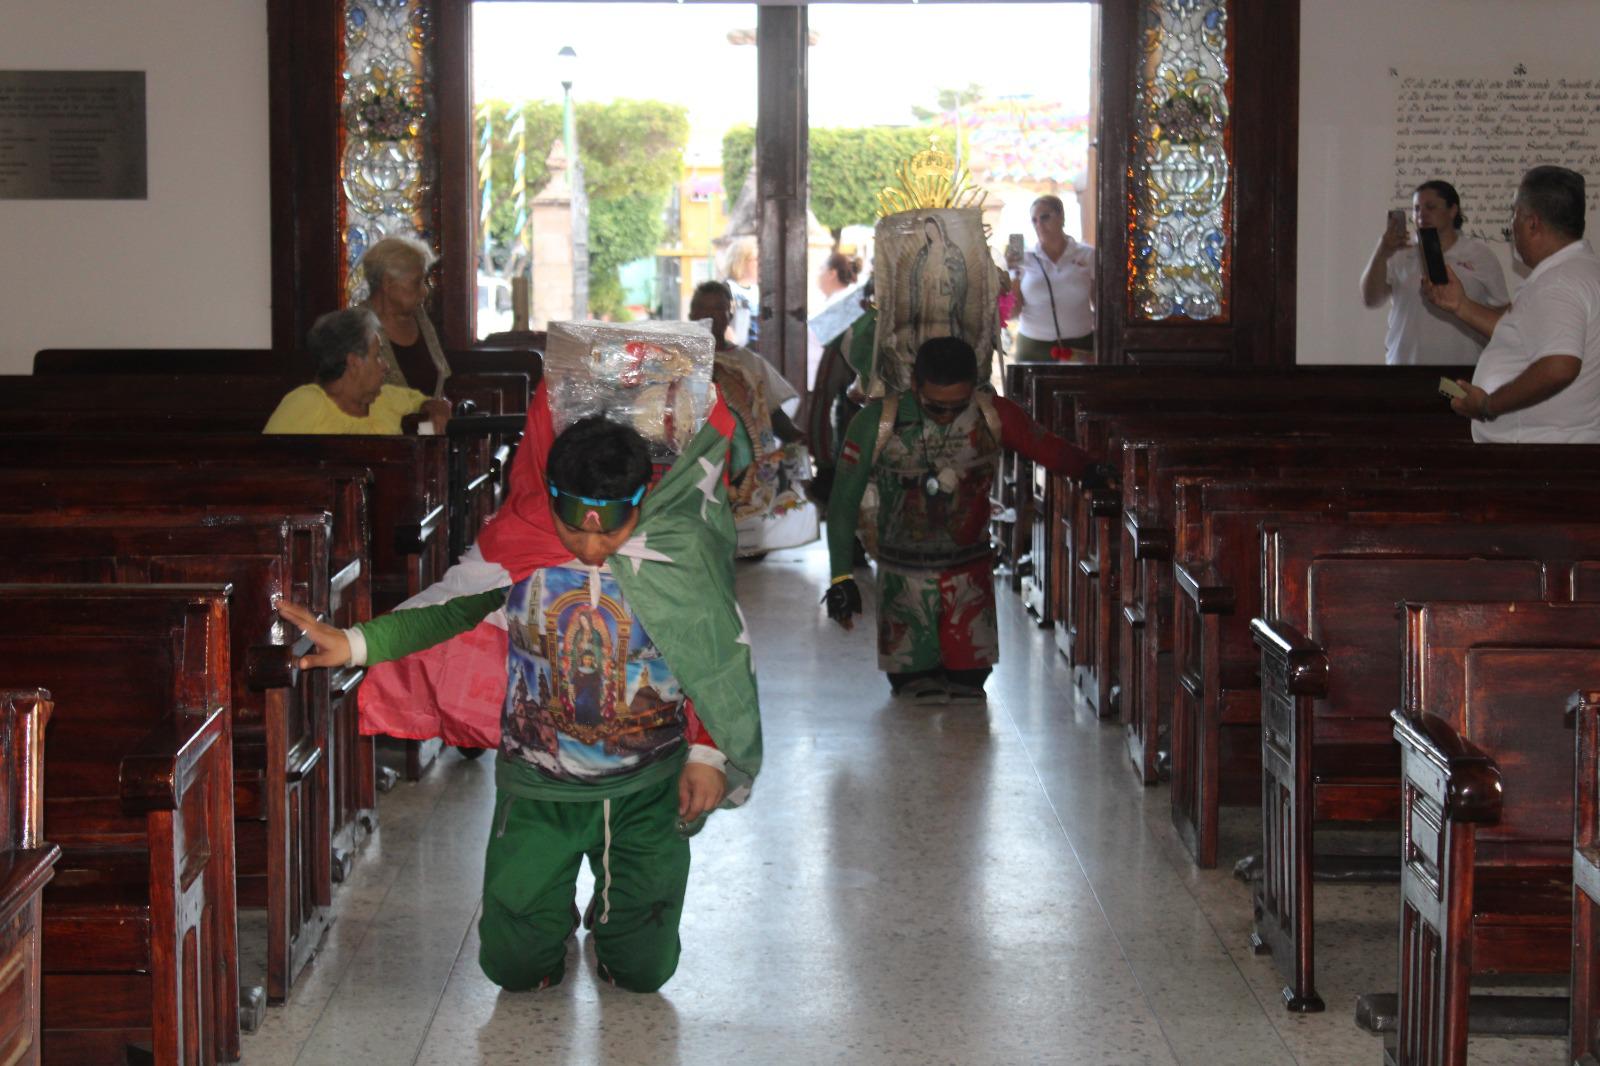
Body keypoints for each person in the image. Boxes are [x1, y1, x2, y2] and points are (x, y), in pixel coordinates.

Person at [278, 401, 762, 993]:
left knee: (643, 972)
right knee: (514, 968)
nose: (590, 547)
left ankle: (616, 918)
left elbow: (718, 660)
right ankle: (545, 914)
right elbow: (445, 612)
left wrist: (707, 755)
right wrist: (354, 643)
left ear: (640, 503)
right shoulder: (521, 546)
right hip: (539, 790)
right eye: (574, 526)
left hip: (646, 791)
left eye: (610, 528)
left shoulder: (674, 554)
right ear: (551, 499)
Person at [822, 336, 1112, 703]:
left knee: (969, 684)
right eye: (934, 407)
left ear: (974, 388)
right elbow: (843, 501)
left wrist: (1089, 468)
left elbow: (1048, 447)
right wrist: (840, 577)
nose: (946, 417)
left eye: (957, 407)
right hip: (903, 580)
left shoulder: (993, 414)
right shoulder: (877, 422)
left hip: (969, 579)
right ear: (915, 385)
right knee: (913, 685)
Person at [1425, 165, 1600, 443]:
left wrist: (1488, 405)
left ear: (1532, 224)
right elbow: (1528, 336)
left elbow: (1560, 366)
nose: (1510, 225)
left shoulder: (1558, 283)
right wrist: (1462, 306)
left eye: (1514, 214)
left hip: (1541, 452)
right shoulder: (1580, 272)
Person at [690, 281, 817, 555]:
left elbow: (769, 409)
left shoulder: (749, 363)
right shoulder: (680, 360)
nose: (711, 316)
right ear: (691, 314)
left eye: (719, 309)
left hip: (742, 459)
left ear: (730, 314)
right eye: (703, 308)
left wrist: (795, 436)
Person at [1360, 179, 1508, 365]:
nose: (1422, 214)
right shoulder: (1399, 252)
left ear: (1453, 211)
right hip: (1404, 369)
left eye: (1430, 207)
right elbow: (1370, 299)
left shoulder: (1479, 255)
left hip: (1461, 371)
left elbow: (1502, 313)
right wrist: (1382, 252)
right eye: (1416, 209)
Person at [263, 308, 451, 435]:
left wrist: (435, 409)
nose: (385, 365)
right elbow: (267, 468)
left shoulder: (386, 398)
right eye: (377, 356)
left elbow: (427, 403)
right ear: (353, 363)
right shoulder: (305, 404)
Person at [358, 234, 451, 396]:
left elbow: (439, 385)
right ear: (387, 283)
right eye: (417, 282)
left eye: (425, 281)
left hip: (427, 423)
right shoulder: (355, 327)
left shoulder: (421, 318)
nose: (424, 291)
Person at [1005, 194, 1095, 360]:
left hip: (1081, 345)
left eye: (1045, 217)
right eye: (1034, 220)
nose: (1039, 224)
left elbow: (1100, 304)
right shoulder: (1024, 259)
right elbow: (1013, 311)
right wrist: (1007, 275)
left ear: (1061, 217)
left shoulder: (1087, 255)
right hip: (1033, 347)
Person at [723, 236, 762, 351]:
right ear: (741, 261)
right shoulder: (727, 289)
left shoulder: (760, 290)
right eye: (756, 259)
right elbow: (723, 325)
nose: (761, 263)